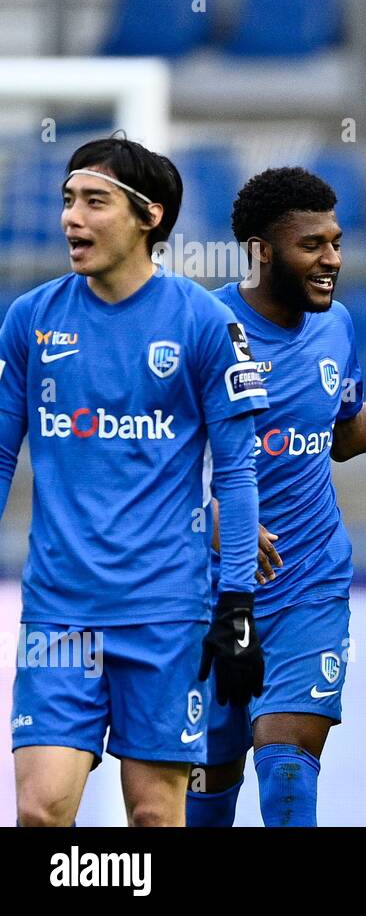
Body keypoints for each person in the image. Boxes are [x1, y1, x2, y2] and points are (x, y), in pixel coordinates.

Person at [0, 135, 266, 826]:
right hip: (61, 611)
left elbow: (235, 476)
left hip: (166, 615)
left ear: (150, 217)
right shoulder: (31, 321)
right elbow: (1, 457)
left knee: (154, 816)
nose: (70, 219)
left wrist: (236, 604)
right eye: (66, 201)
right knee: (40, 809)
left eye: (94, 202)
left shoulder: (206, 324)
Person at [187, 166, 366, 827]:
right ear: (260, 251)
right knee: (205, 790)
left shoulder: (335, 325)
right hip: (203, 593)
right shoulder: (200, 328)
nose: (332, 259)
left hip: (307, 582)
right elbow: (142, 461)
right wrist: (214, 517)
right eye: (312, 245)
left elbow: (344, 432)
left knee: (285, 768)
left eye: (336, 242)